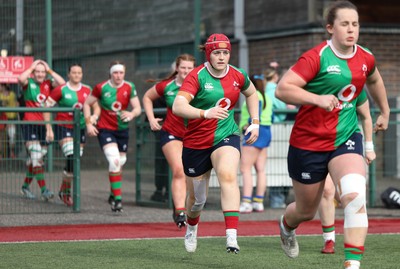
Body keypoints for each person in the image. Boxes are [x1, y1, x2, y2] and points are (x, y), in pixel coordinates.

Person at [275, 1, 390, 269]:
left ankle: (352, 264)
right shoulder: (315, 57)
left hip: (345, 137)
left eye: (355, 24)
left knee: (354, 196)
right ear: (330, 28)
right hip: (307, 143)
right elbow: (283, 89)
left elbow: (374, 79)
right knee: (305, 210)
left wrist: (384, 111)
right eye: (344, 24)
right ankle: (286, 226)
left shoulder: (365, 57)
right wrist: (316, 98)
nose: (352, 29)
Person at [172, 33, 260, 254]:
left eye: (226, 52)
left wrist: (255, 122)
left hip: (226, 136)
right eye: (217, 53)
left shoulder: (238, 75)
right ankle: (192, 228)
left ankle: (231, 236)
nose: (222, 57)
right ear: (209, 54)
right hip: (196, 142)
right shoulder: (197, 76)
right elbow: (178, 106)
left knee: (228, 175)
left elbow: (252, 93)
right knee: (197, 200)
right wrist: (205, 112)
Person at [318, 93, 376, 254]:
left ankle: (353, 247)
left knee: (350, 195)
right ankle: (329, 239)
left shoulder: (356, 85)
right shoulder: (319, 82)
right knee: (325, 191)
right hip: (319, 141)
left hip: (346, 141)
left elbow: (366, 116)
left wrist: (369, 148)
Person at [143, 53, 195, 228]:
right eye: (183, 68)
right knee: (179, 169)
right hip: (171, 132)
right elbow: (147, 97)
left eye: (189, 68)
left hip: (193, 134)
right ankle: (180, 211)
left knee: (190, 173)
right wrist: (151, 118)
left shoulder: (200, 86)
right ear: (177, 68)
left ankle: (178, 204)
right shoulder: (167, 86)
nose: (186, 71)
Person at [83, 60, 141, 212]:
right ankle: (118, 200)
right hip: (105, 129)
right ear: (110, 73)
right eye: (115, 72)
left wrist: (131, 113)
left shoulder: (130, 87)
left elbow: (137, 108)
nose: (118, 75)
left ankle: (112, 193)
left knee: (120, 162)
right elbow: (86, 104)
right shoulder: (101, 87)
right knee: (114, 160)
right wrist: (89, 123)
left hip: (122, 130)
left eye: (121, 72)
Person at [43, 63, 95, 206]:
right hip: (63, 127)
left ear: (82, 74)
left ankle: (64, 191)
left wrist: (93, 118)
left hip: (81, 128)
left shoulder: (87, 89)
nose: (77, 75)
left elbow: (96, 106)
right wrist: (49, 128)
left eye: (79, 72)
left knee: (74, 162)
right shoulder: (61, 89)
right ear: (68, 74)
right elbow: (47, 106)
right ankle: (66, 193)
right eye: (74, 72)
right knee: (71, 156)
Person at [18, 59, 65, 200]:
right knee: (37, 157)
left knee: (37, 159)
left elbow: (63, 84)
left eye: (42, 72)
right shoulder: (29, 83)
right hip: (29, 124)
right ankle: (44, 190)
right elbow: (21, 78)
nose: (39, 74)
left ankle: (25, 187)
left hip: (45, 126)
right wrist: (31, 67)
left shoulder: (48, 83)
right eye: (37, 72)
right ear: (33, 73)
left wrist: (50, 71)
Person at [239, 74, 272, 213]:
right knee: (260, 169)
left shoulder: (253, 95)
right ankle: (258, 201)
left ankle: (246, 201)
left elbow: (255, 113)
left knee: (245, 169)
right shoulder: (267, 97)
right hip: (266, 131)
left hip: (254, 131)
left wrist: (248, 126)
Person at [0, 84, 18, 158]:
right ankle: (0, 154)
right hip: (2, 118)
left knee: (12, 135)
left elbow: (15, 104)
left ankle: (12, 152)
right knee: (1, 138)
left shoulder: (12, 94)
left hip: (11, 118)